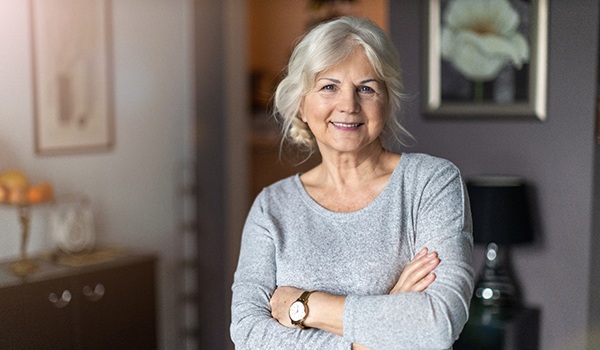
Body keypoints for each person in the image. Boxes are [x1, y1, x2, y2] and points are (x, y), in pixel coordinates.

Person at [230, 16, 474, 350]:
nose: (348, 105)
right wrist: (375, 332)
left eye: (366, 88)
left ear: (386, 101)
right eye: (329, 86)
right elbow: (248, 334)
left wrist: (305, 305)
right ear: (301, 103)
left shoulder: (430, 184)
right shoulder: (271, 206)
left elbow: (437, 324)